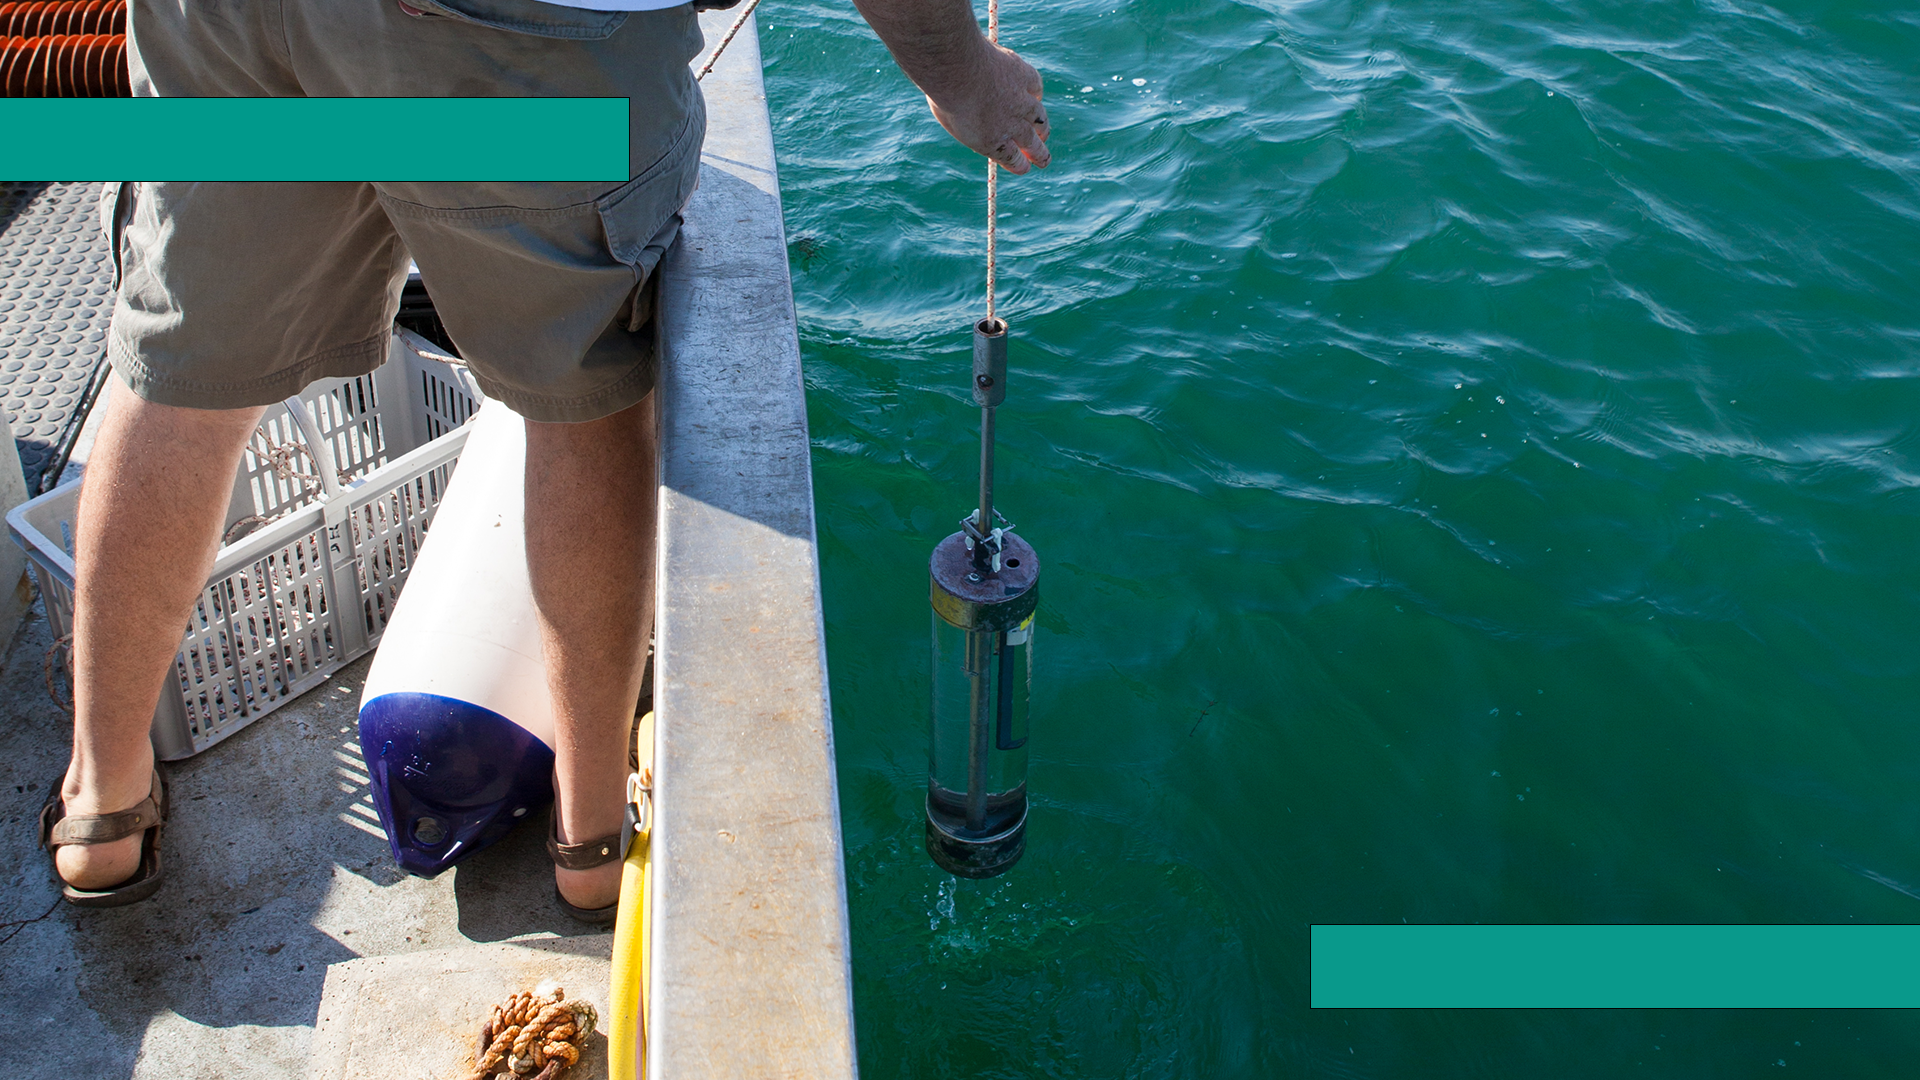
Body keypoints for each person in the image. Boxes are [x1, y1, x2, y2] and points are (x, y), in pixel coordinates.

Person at [38, 0, 1049, 915]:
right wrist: (964, 75)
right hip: (509, 48)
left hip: (228, 24)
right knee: (584, 402)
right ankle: (591, 839)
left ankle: (104, 806)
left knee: (181, 375)